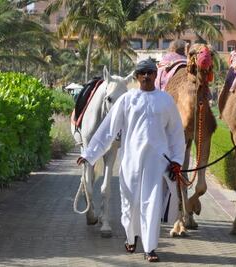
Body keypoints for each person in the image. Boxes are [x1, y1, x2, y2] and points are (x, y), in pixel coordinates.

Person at [77, 59, 185, 262]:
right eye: (142, 72)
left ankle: (150, 248)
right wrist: (89, 155)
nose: (146, 76)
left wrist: (177, 160)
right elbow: (108, 130)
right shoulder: (127, 99)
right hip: (131, 161)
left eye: (150, 72)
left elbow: (176, 134)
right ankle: (130, 237)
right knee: (130, 203)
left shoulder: (166, 100)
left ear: (155, 75)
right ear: (136, 77)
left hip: (157, 163)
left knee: (151, 204)